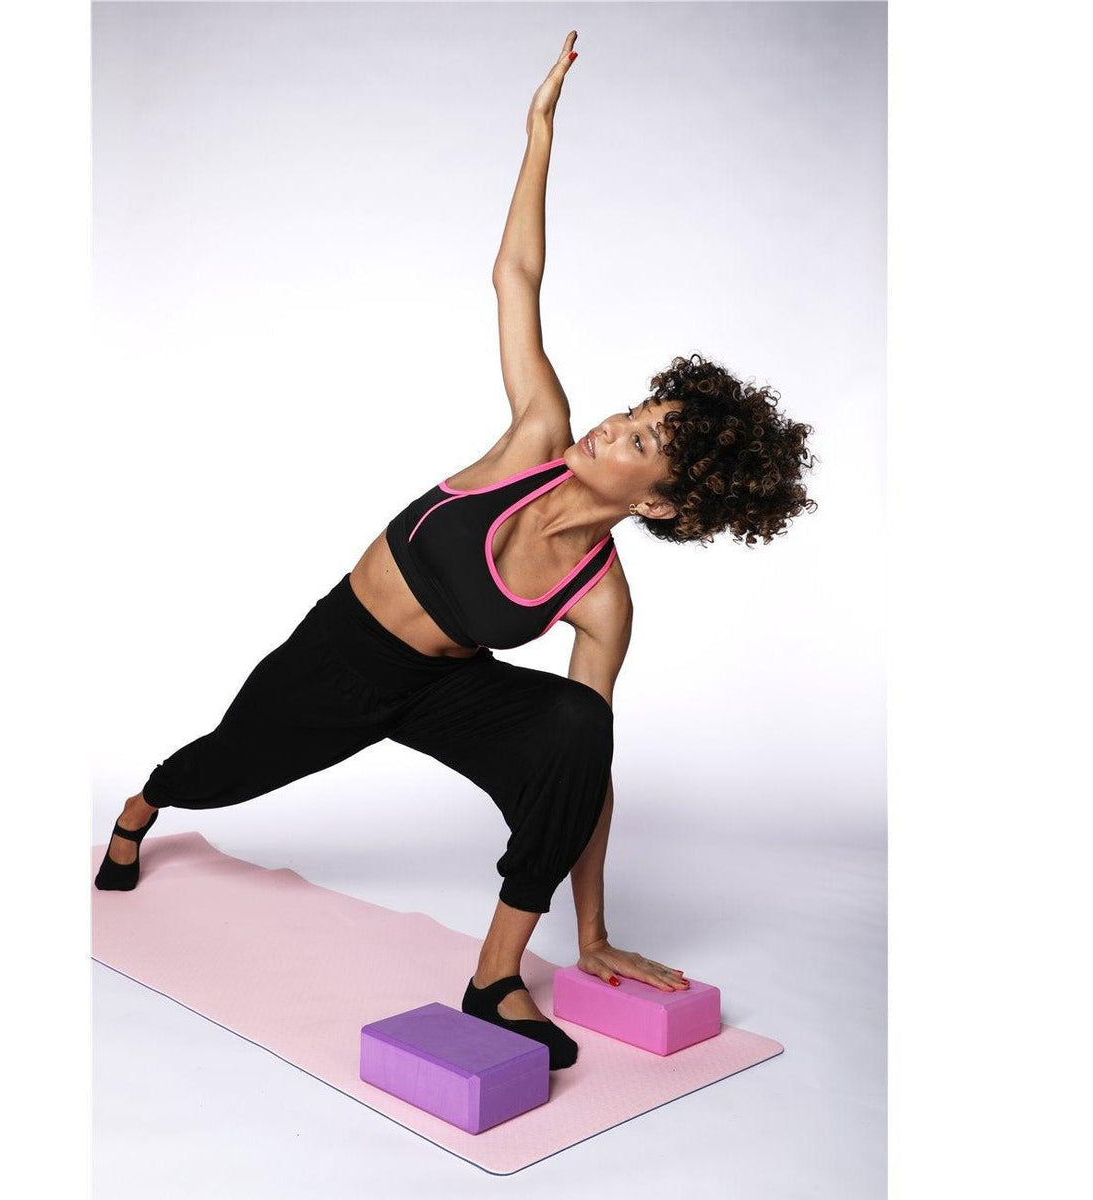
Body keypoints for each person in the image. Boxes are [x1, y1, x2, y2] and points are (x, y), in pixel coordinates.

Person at [94, 31, 816, 1070]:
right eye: (635, 411)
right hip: (343, 653)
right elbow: (515, 275)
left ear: (662, 504)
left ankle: (495, 976)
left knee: (579, 726)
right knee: (229, 764)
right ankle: (141, 806)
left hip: (442, 689)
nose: (613, 426)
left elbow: (587, 775)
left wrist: (595, 933)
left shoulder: (601, 599)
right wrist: (539, 131)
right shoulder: (535, 439)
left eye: (642, 441)